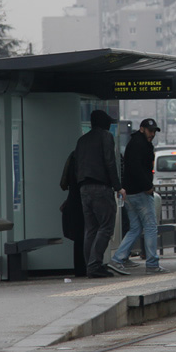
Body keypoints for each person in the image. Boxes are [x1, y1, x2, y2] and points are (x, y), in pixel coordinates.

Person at [111, 118, 168, 274]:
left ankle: (117, 258)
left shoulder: (134, 143)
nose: (152, 134)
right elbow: (138, 169)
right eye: (150, 131)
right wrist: (148, 187)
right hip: (140, 192)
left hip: (130, 193)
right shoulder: (140, 145)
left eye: (154, 132)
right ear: (142, 129)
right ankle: (152, 264)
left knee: (135, 228)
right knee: (150, 227)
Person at [74, 109, 125, 278]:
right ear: (104, 123)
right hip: (100, 188)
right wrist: (118, 187)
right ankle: (95, 266)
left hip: (84, 189)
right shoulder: (105, 136)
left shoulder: (82, 140)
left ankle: (89, 265)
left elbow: (77, 167)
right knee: (106, 227)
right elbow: (110, 162)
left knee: (90, 229)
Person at [59, 151, 86, 278]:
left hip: (74, 199)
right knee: (88, 233)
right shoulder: (86, 157)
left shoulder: (73, 156)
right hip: (82, 199)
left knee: (79, 238)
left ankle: (80, 269)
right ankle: (87, 266)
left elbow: (63, 183)